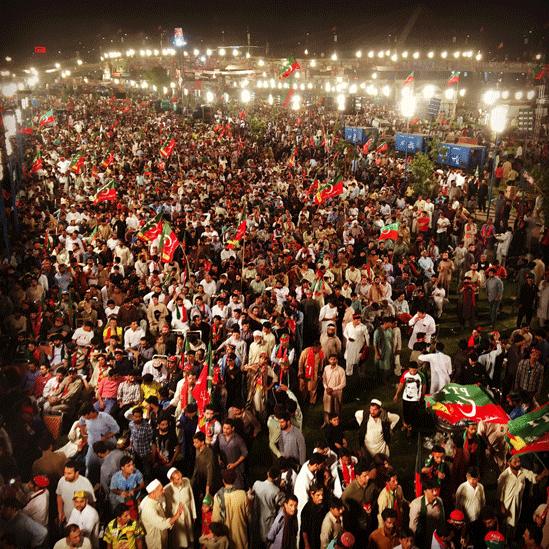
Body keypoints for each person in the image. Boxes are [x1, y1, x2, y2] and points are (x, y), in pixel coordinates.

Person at [497, 455, 549, 539]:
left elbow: (534, 478)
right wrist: (502, 510)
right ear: (508, 463)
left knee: (513, 531)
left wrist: (543, 474)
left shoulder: (523, 471)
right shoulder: (503, 476)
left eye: (519, 461)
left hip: (517, 509)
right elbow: (499, 496)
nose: (518, 464)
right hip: (506, 509)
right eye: (515, 462)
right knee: (504, 532)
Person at [139, 478, 183, 549]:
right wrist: (177, 515)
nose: (164, 490)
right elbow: (162, 524)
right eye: (161, 489)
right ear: (153, 493)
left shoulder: (154, 498)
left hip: (162, 536)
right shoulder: (148, 508)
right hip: (155, 541)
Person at [212, 469, 248, 549]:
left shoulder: (218, 496)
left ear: (223, 481)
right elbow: (249, 516)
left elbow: (215, 519)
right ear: (235, 480)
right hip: (240, 536)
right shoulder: (243, 495)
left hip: (225, 538)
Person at [250, 466, 285, 548]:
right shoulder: (276, 490)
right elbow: (282, 503)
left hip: (256, 520)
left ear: (268, 474)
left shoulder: (256, 484)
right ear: (277, 478)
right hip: (268, 522)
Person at [163, 467, 196, 549]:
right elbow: (166, 508)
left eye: (181, 477)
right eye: (178, 479)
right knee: (180, 540)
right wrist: (170, 521)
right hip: (177, 519)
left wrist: (194, 514)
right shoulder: (166, 490)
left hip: (188, 514)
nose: (181, 481)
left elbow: (191, 498)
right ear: (171, 480)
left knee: (190, 536)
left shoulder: (187, 481)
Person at [56, 460, 96, 525]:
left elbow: (92, 503)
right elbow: (59, 496)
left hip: (81, 521)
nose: (66, 476)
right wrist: (60, 512)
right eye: (65, 473)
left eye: (69, 473)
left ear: (77, 473)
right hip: (67, 519)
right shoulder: (62, 481)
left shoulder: (85, 483)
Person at [409, 479, 445, 548]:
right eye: (432, 491)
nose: (435, 493)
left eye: (436, 490)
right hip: (421, 542)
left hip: (435, 542)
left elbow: (442, 522)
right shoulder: (416, 504)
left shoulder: (439, 501)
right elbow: (412, 528)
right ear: (425, 491)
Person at [300, 484, 328, 549]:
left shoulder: (324, 506)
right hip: (311, 541)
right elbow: (304, 530)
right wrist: (307, 544)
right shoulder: (306, 510)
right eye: (318, 495)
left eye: (322, 495)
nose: (321, 497)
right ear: (312, 495)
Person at [322, 354, 346, 425]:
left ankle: (337, 423)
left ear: (337, 360)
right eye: (331, 359)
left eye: (334, 359)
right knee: (327, 408)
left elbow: (343, 383)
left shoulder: (341, 370)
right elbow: (324, 380)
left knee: (337, 408)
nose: (333, 361)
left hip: (337, 392)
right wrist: (326, 388)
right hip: (327, 391)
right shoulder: (326, 368)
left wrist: (333, 389)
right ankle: (326, 422)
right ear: (329, 360)